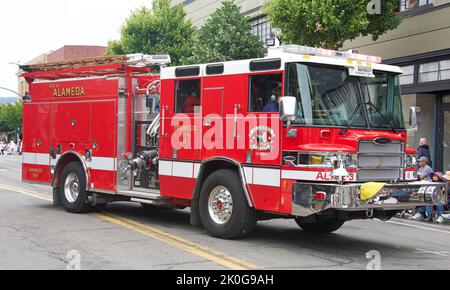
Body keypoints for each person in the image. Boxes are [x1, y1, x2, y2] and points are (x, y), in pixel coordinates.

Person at [411, 157, 434, 221]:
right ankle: (421, 214)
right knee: (421, 199)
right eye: (418, 161)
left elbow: (420, 177)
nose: (419, 163)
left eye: (420, 161)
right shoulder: (421, 168)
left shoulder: (427, 168)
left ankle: (430, 216)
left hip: (428, 187)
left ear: (424, 162)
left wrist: (415, 175)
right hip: (422, 186)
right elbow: (416, 177)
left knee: (427, 200)